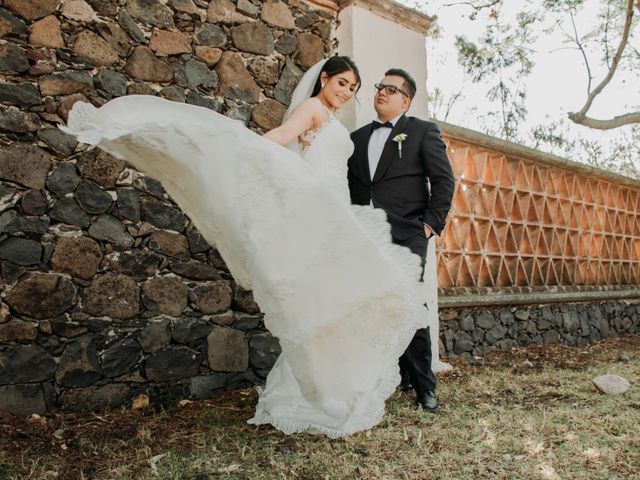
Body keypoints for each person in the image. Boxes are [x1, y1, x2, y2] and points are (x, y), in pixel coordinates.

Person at [61, 56, 426, 438]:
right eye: (342, 84)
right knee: (328, 299)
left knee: (338, 298)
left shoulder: (333, 120)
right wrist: (245, 153)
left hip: (332, 211)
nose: (346, 93)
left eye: (353, 88)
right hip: (315, 211)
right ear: (324, 79)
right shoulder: (312, 109)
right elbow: (281, 138)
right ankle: (318, 391)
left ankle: (332, 386)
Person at [348, 69, 455, 411]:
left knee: (409, 303)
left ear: (405, 100)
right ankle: (396, 375)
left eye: (391, 90)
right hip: (366, 236)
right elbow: (353, 187)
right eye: (380, 87)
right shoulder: (357, 138)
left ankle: (425, 384)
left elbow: (444, 181)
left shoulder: (423, 131)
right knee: (375, 304)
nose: (382, 92)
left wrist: (429, 226)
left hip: (408, 233)